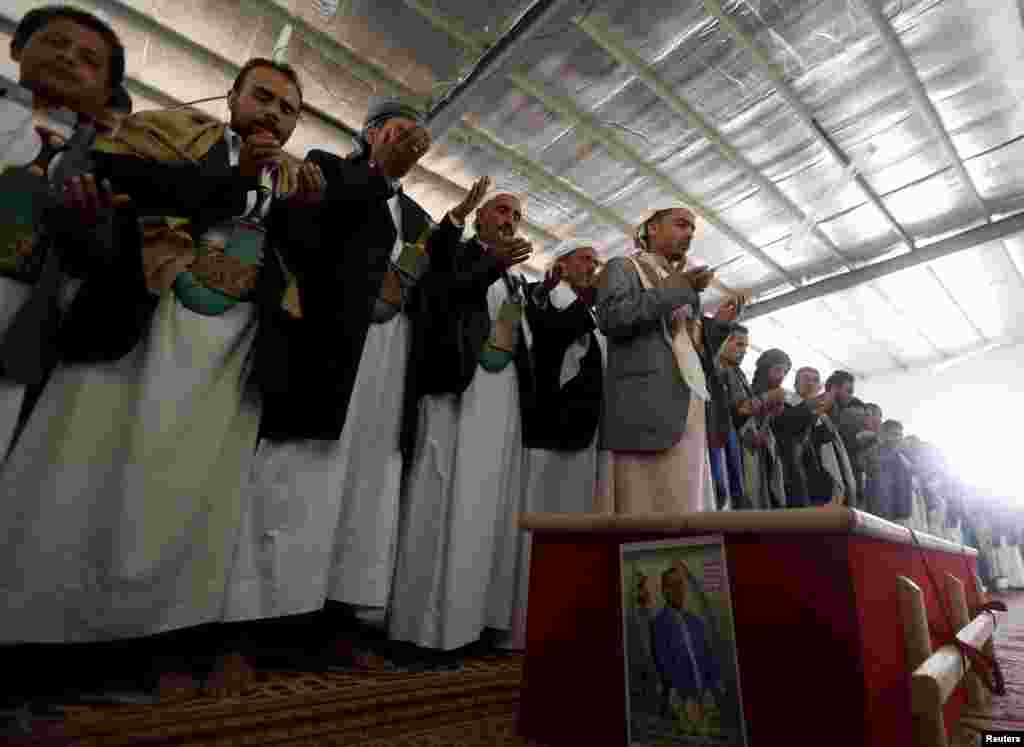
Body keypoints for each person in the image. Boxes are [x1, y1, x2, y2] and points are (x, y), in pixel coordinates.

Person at [0, 54, 329, 698]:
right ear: (231, 94)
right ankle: (33, 651)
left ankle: (138, 647)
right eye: (263, 97)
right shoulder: (174, 133)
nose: (274, 114)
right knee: (83, 479)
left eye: (288, 110)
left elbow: (300, 273)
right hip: (139, 336)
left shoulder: (296, 184)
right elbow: (113, 180)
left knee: (185, 506)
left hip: (228, 366)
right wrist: (234, 176)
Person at [224, 99, 438, 671]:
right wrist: (378, 172)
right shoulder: (329, 168)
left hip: (391, 367)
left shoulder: (418, 217)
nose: (412, 145)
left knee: (365, 495)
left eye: (420, 141)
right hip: (330, 355)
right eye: (400, 132)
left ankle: (335, 624)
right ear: (369, 133)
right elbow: (306, 237)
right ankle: (255, 627)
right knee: (294, 485)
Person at [389, 192, 535, 656]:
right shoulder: (458, 251)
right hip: (456, 391)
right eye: (501, 210)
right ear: (479, 218)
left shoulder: (517, 281)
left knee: (482, 511)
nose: (509, 220)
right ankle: (423, 629)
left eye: (516, 215)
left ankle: (469, 623)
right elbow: (444, 295)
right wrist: (492, 263)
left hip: (500, 406)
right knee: (440, 499)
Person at [596, 208, 717, 513]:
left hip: (689, 402)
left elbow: (688, 342)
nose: (689, 233)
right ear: (651, 228)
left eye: (692, 228)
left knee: (686, 510)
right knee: (642, 510)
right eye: (680, 224)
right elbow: (612, 318)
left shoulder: (683, 282)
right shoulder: (622, 267)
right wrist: (680, 288)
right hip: (644, 406)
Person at [651, 564, 722, 721]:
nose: (677, 590)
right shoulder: (658, 624)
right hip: (680, 703)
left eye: (680, 585)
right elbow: (664, 665)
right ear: (664, 591)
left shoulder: (696, 622)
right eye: (672, 585)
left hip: (706, 699)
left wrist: (713, 688)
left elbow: (708, 657)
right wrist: (684, 700)